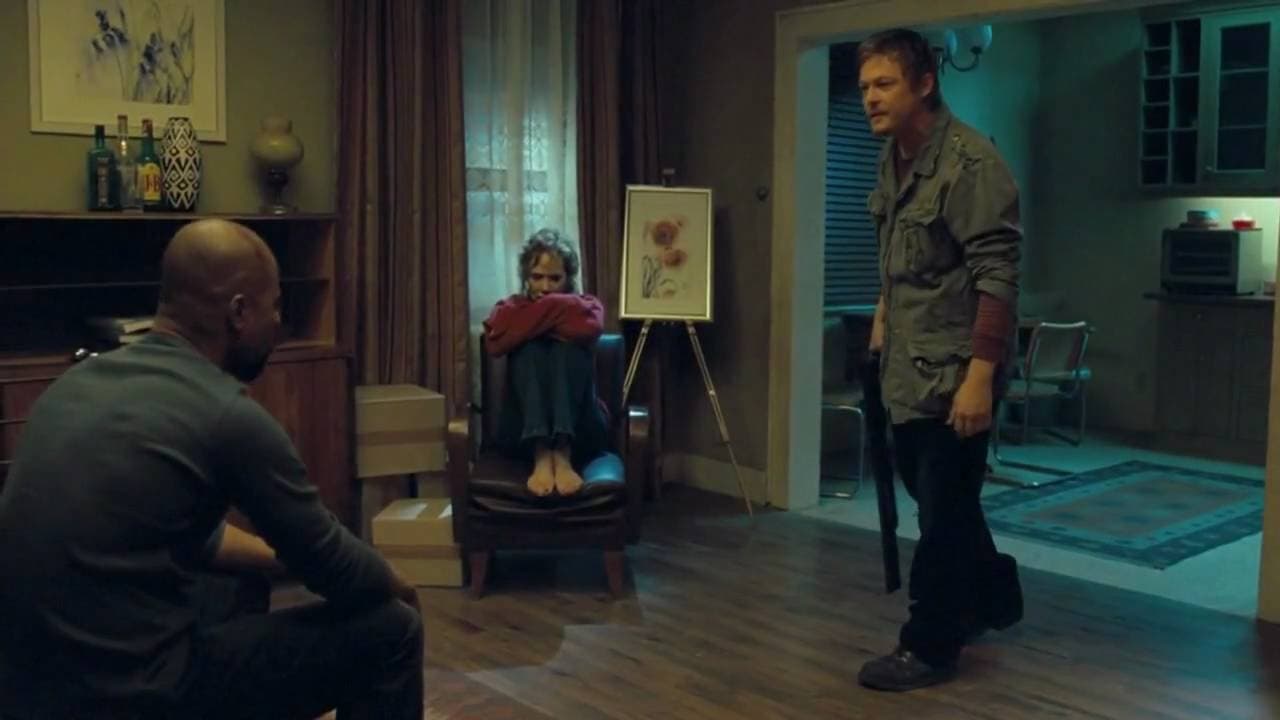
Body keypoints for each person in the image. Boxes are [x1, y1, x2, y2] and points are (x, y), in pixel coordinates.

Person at [0, 219, 424, 719]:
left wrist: (277, 559)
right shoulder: (226, 414)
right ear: (239, 312)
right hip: (123, 696)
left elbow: (184, 536)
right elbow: (331, 563)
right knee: (393, 631)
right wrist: (400, 586)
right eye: (275, 306)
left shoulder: (77, 382)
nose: (280, 322)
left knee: (237, 582)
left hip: (26, 686)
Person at [854, 29, 1024, 692]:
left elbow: (997, 277)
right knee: (940, 500)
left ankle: (929, 645)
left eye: (884, 84)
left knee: (942, 514)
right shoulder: (893, 159)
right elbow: (899, 259)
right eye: (865, 87)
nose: (870, 97)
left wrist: (980, 378)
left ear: (924, 83)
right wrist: (882, 316)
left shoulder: (970, 164)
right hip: (905, 368)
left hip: (956, 374)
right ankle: (991, 597)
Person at [483, 228, 608, 497]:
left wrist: (531, 323)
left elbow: (590, 327)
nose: (546, 288)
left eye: (555, 278)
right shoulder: (511, 307)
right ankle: (541, 452)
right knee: (529, 349)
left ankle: (562, 451)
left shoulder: (587, 306)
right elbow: (495, 343)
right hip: (521, 434)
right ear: (525, 277)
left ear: (569, 278)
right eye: (537, 277)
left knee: (566, 350)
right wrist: (557, 317)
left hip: (582, 430)